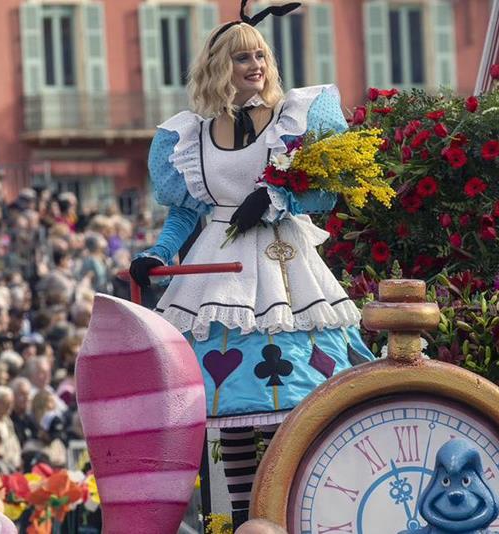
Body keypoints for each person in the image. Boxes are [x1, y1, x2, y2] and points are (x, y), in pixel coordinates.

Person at [127, 5, 374, 527]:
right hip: (217, 271)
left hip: (285, 270)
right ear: (221, 66)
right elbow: (184, 213)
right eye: (243, 57)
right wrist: (157, 255)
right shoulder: (188, 137)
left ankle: (289, 514)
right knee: (232, 418)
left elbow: (326, 194)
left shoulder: (295, 118)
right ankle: (242, 519)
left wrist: (280, 199)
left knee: (297, 410)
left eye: (260, 54)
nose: (255, 64)